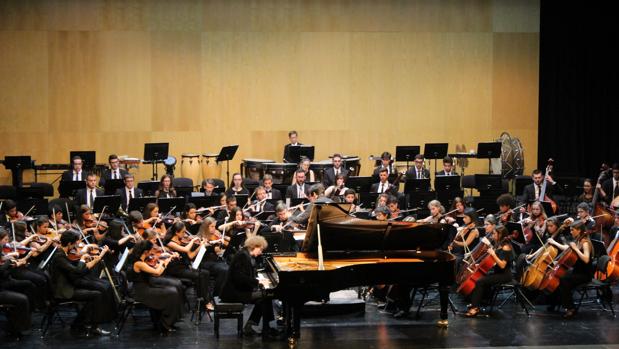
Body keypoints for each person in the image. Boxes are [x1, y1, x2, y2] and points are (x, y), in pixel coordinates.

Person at [50, 230, 113, 335]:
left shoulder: (63, 253)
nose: (76, 246)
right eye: (75, 243)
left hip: (70, 284)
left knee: (96, 293)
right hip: (64, 290)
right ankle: (92, 326)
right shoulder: (59, 256)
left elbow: (75, 270)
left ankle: (79, 323)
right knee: (96, 295)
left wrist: (85, 260)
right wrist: (83, 260)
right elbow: (77, 271)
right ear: (70, 243)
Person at [220, 235, 279, 338]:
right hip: (233, 292)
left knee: (265, 298)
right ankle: (266, 328)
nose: (261, 252)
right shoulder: (242, 256)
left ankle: (254, 326)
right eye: (260, 249)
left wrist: (257, 280)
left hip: (238, 289)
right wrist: (257, 282)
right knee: (266, 296)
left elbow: (246, 275)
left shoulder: (246, 254)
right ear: (254, 246)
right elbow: (239, 277)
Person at [127, 240, 183, 333]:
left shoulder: (143, 259)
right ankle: (166, 324)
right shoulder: (138, 263)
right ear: (145, 251)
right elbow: (157, 273)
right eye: (150, 250)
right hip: (141, 291)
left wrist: (162, 260)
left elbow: (154, 269)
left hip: (147, 286)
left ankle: (163, 322)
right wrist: (163, 262)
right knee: (172, 292)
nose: (152, 253)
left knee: (173, 290)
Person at [546, 221, 593, 318]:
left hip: (584, 275)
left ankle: (570, 308)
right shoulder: (578, 240)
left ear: (579, 230)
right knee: (560, 277)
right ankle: (558, 303)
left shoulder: (585, 243)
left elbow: (586, 259)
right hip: (577, 271)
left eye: (572, 230)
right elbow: (568, 251)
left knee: (564, 280)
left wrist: (575, 249)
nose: (571, 232)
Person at [464, 225, 513, 317]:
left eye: (494, 234)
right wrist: (480, 265)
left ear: (500, 234)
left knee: (480, 281)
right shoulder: (497, 245)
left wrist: (493, 254)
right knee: (478, 277)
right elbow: (493, 263)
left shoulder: (506, 247)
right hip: (497, 272)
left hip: (504, 275)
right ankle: (478, 302)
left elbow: (502, 265)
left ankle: (475, 308)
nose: (492, 236)